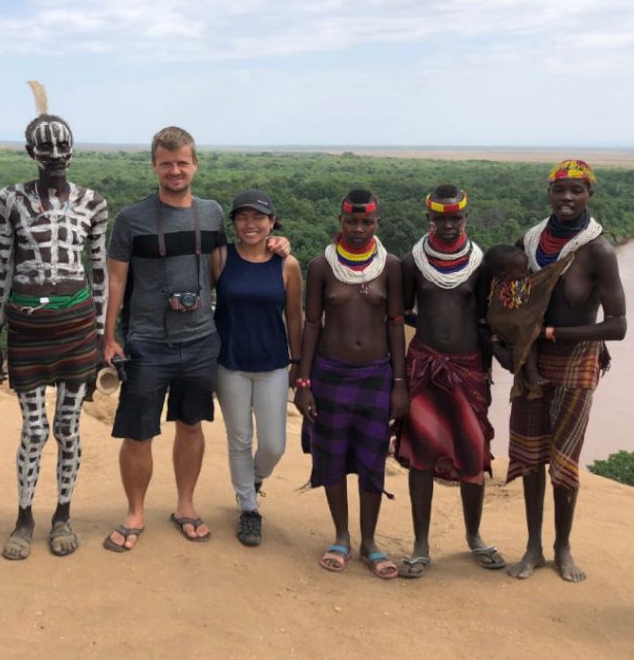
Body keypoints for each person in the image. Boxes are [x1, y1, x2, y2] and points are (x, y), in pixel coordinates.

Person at [101, 127, 287, 551]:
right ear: (154, 165)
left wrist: (277, 244)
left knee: (191, 425)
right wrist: (109, 336)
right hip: (147, 339)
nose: (175, 170)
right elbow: (115, 278)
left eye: (182, 162)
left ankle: (185, 505)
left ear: (195, 163)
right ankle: (135, 511)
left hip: (202, 337)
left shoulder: (212, 213)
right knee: (138, 432)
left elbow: (236, 260)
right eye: (166, 163)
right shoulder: (131, 219)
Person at [0, 101, 108, 560]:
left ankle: (63, 514)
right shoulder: (10, 200)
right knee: (34, 429)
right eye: (45, 146)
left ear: (73, 149)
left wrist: (98, 338)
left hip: (76, 327)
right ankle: (24, 516)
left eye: (62, 145)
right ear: (30, 151)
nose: (55, 153)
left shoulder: (92, 203)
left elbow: (98, 272)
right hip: (27, 328)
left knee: (69, 428)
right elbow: (3, 266)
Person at [505, 159, 626, 583]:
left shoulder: (598, 251)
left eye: (577, 191)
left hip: (576, 363)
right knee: (529, 454)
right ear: (549, 194)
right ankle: (533, 547)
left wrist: (553, 333)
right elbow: (511, 303)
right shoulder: (530, 241)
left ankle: (562, 546)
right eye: (561, 191)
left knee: (564, 458)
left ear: (590, 194)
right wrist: (514, 345)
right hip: (531, 362)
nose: (568, 198)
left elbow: (618, 325)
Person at [294, 188, 407, 579]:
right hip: (329, 373)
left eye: (367, 222)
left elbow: (395, 324)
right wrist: (303, 382)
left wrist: (400, 383)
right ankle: (341, 536)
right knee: (333, 457)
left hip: (376, 375)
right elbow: (312, 324)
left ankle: (370, 542)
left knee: (372, 458)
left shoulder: (390, 265)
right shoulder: (321, 266)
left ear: (378, 223)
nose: (359, 229)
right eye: (351, 222)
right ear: (340, 222)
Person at [394, 185, 502, 579]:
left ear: (465, 218)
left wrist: (486, 375)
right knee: (421, 456)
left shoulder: (480, 263)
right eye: (441, 218)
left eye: (455, 218)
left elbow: (485, 321)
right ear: (430, 219)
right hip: (424, 366)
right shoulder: (413, 262)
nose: (449, 224)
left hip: (468, 368)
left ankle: (474, 536)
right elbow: (403, 313)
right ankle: (421, 545)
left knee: (473, 454)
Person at [212, 189, 302, 547]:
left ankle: (255, 479)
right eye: (243, 218)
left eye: (259, 218)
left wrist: (298, 361)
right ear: (234, 223)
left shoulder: (287, 264)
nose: (250, 225)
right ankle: (248, 509)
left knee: (274, 444)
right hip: (229, 361)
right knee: (239, 439)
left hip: (273, 363)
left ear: (271, 222)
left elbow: (294, 316)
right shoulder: (219, 258)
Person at [484, 244, 570, 399]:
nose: (527, 273)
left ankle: (519, 367)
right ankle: (533, 376)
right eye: (523, 271)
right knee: (530, 337)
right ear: (504, 274)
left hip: (501, 330)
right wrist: (561, 264)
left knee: (515, 351)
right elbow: (544, 279)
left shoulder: (500, 283)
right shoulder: (515, 286)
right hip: (505, 327)